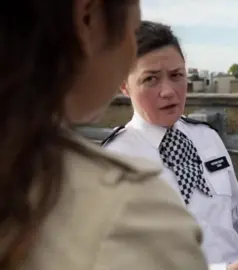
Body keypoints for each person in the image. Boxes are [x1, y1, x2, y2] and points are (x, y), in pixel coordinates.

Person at [0, 1, 209, 269]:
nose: (167, 91)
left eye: (177, 75)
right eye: (131, 30)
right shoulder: (131, 211)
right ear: (89, 18)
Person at [103, 20, 238, 270]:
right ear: (124, 86)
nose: (168, 91)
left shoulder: (206, 137)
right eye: (151, 79)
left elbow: (234, 214)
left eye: (176, 76)